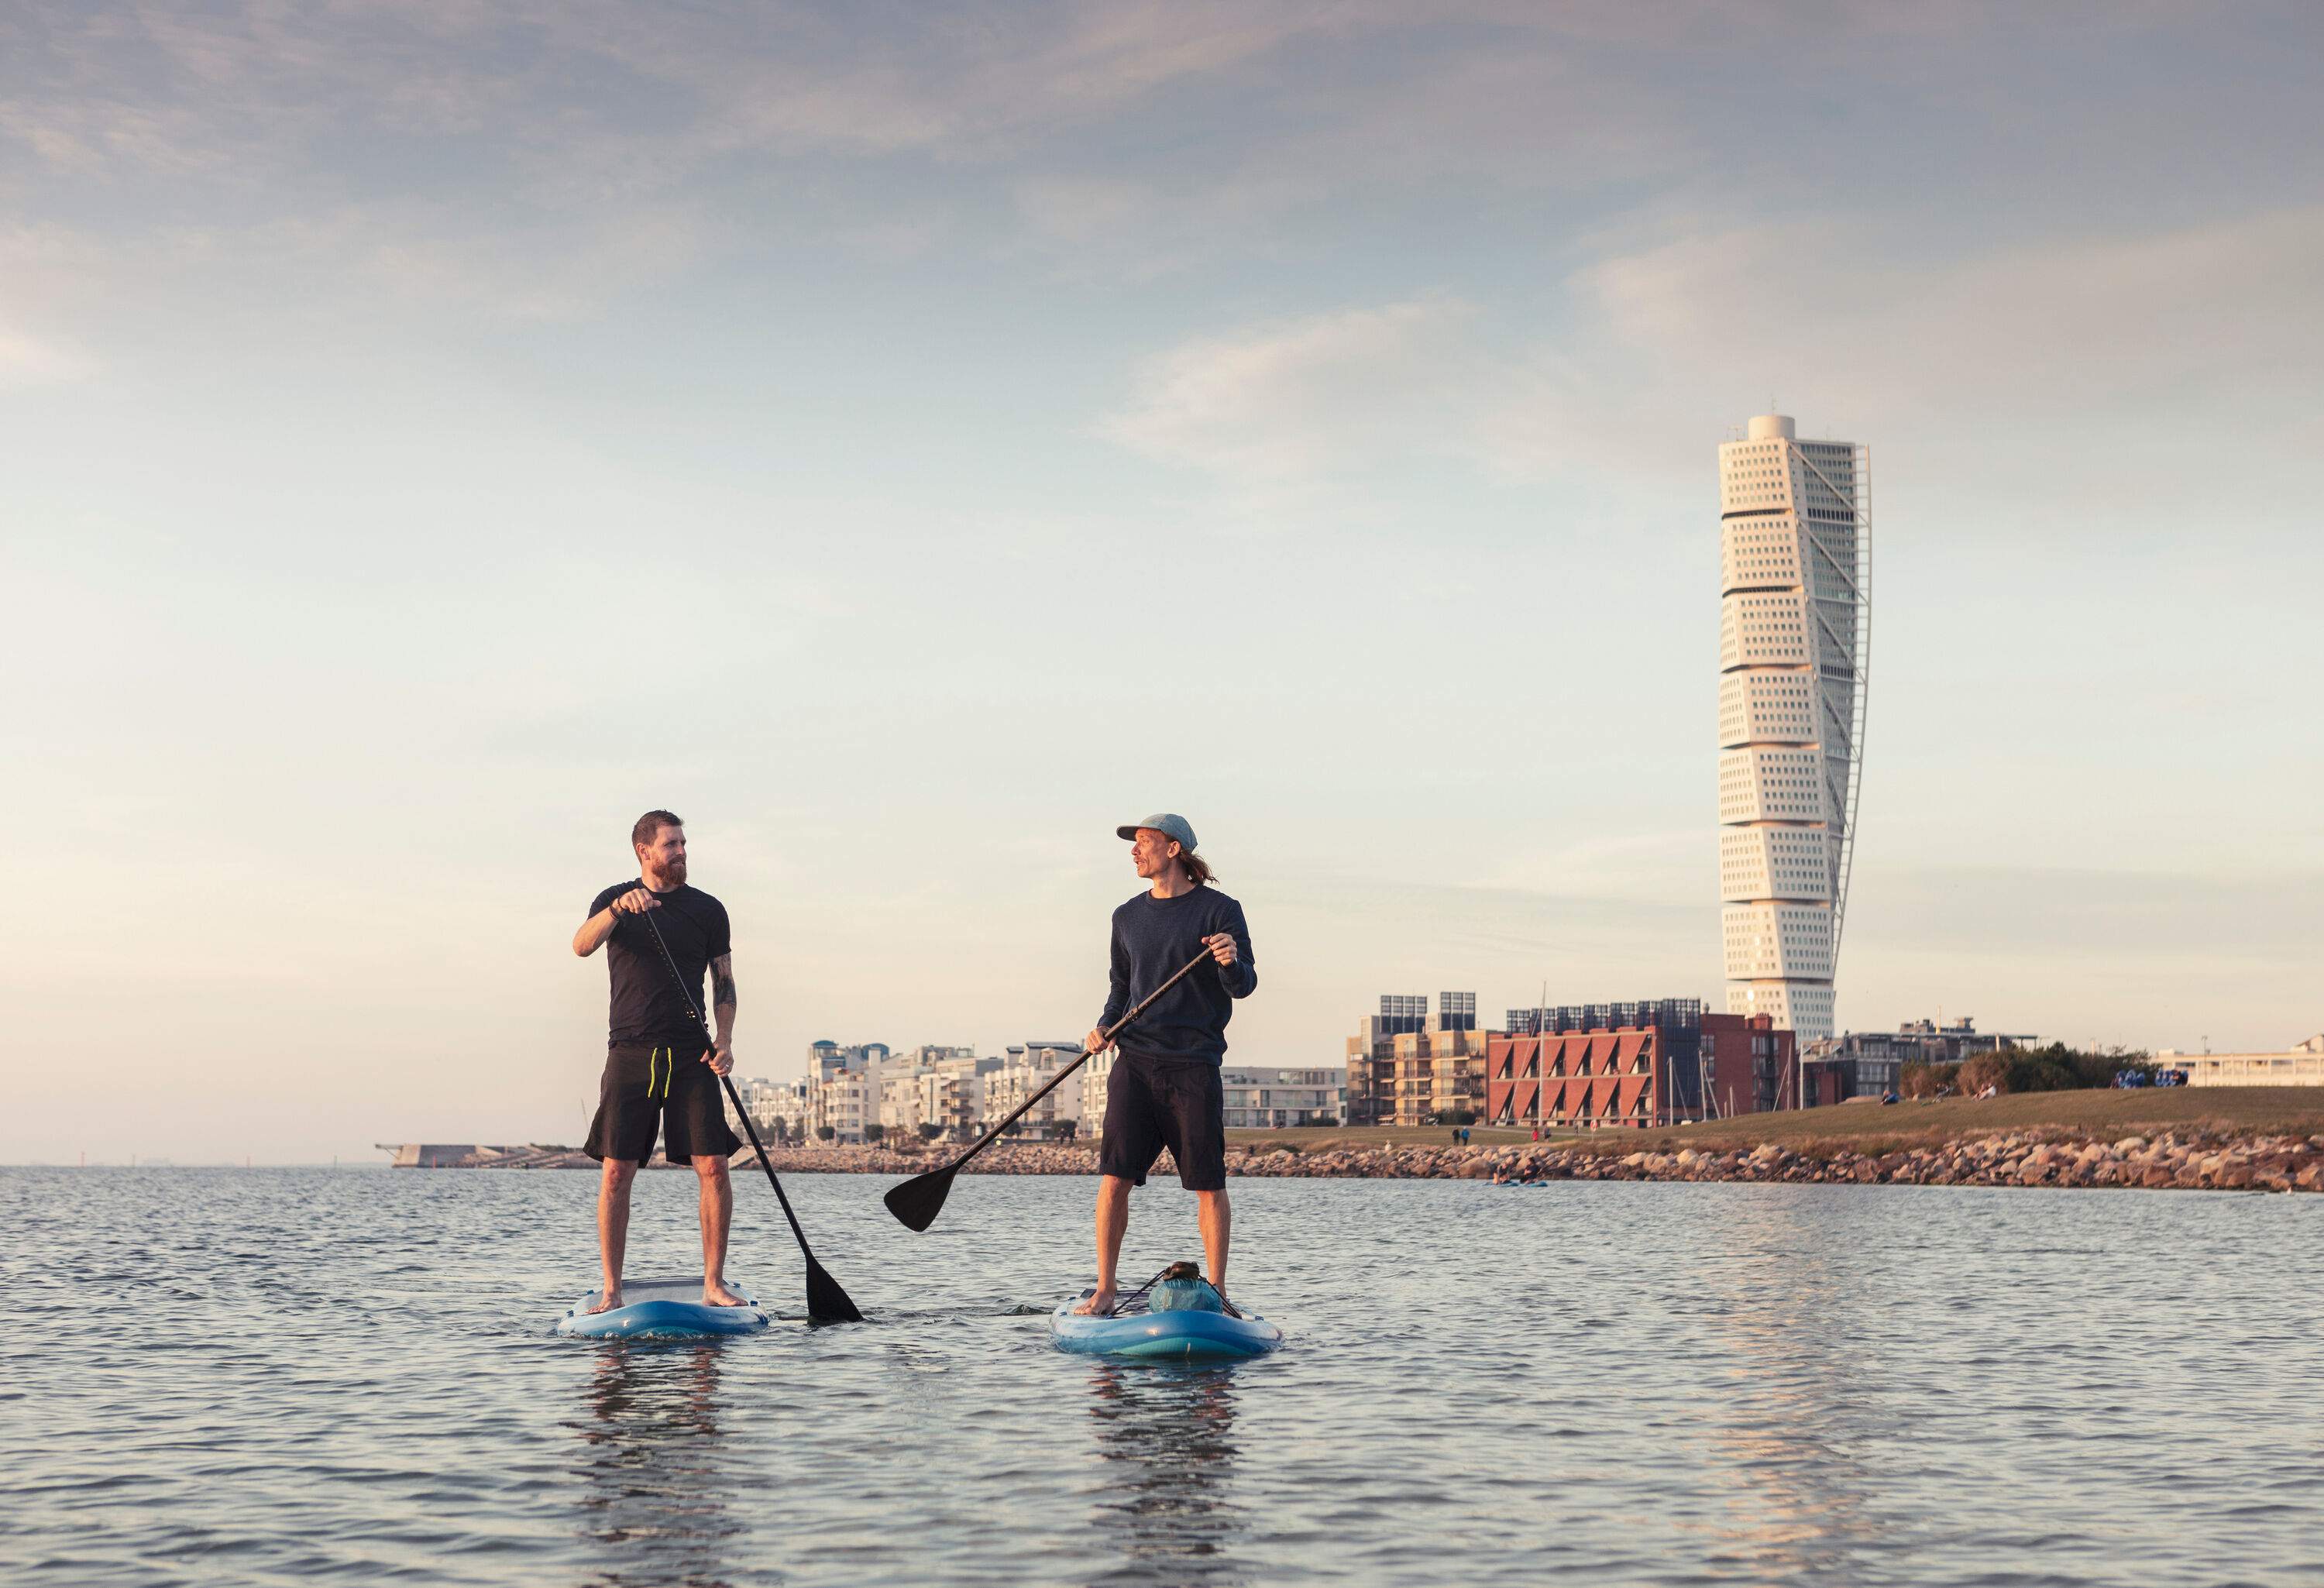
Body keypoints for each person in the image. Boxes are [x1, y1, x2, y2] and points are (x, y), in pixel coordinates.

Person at [1071, 814, 1256, 1318]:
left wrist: (1228, 960)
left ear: (1173, 849)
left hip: (1193, 1065)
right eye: (1134, 845)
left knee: (1208, 1184)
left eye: (1144, 843)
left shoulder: (1220, 911)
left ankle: (1217, 1295)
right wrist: (1102, 1027)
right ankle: (1105, 1290)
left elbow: (1243, 986)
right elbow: (1120, 992)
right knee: (1114, 1178)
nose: (1135, 851)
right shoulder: (1126, 917)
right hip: (1134, 1062)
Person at [570, 810, 744, 1314]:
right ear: (644, 851)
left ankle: (714, 1284)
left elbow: (725, 982)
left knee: (713, 1166)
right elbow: (580, 946)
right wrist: (617, 913)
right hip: (631, 1049)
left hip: (693, 1052)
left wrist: (726, 1039)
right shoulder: (613, 899)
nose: (683, 852)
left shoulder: (708, 910)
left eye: (684, 843)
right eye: (672, 845)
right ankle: (611, 1290)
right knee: (617, 1172)